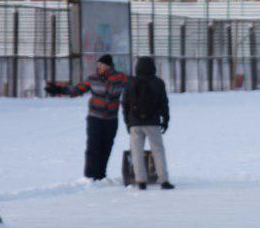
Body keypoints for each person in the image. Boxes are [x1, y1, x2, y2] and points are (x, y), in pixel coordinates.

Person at [46, 54, 128, 181]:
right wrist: (59, 90)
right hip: (95, 118)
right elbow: (76, 90)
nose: (99, 66)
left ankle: (101, 174)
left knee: (106, 147)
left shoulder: (120, 78)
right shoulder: (93, 79)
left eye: (102, 64)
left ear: (109, 66)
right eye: (98, 64)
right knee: (93, 146)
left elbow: (134, 84)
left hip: (111, 119)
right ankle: (90, 176)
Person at [122, 56, 173, 190]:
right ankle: (163, 180)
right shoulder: (158, 83)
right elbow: (164, 103)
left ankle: (141, 180)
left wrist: (127, 122)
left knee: (137, 151)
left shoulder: (130, 83)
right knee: (158, 150)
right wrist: (165, 119)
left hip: (135, 123)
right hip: (153, 122)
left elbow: (125, 104)